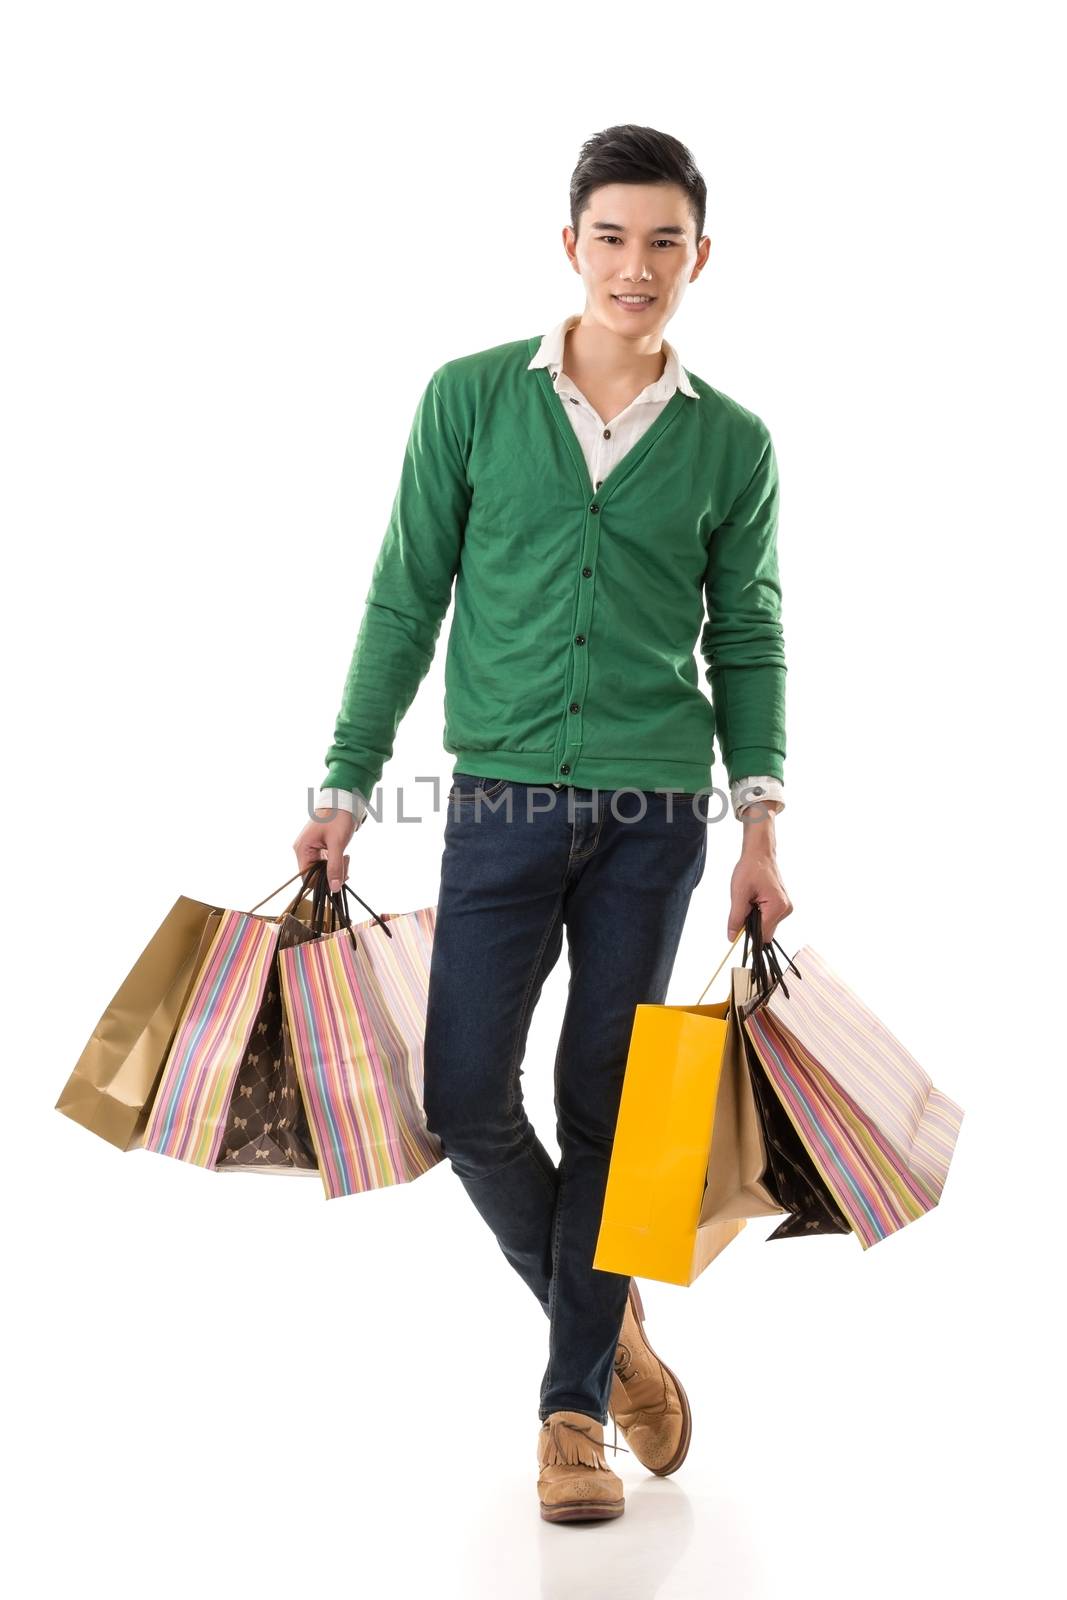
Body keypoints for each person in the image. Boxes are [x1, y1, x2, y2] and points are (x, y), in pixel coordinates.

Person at [293, 123, 793, 1525]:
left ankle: (569, 1417)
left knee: (611, 1112)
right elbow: (406, 602)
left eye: (667, 243)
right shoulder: (468, 400)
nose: (638, 268)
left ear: (703, 258)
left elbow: (747, 636)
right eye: (614, 238)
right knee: (464, 1098)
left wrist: (761, 827)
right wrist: (342, 787)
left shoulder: (732, 441)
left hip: (656, 816)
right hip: (501, 805)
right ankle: (609, 1330)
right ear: (570, 246)